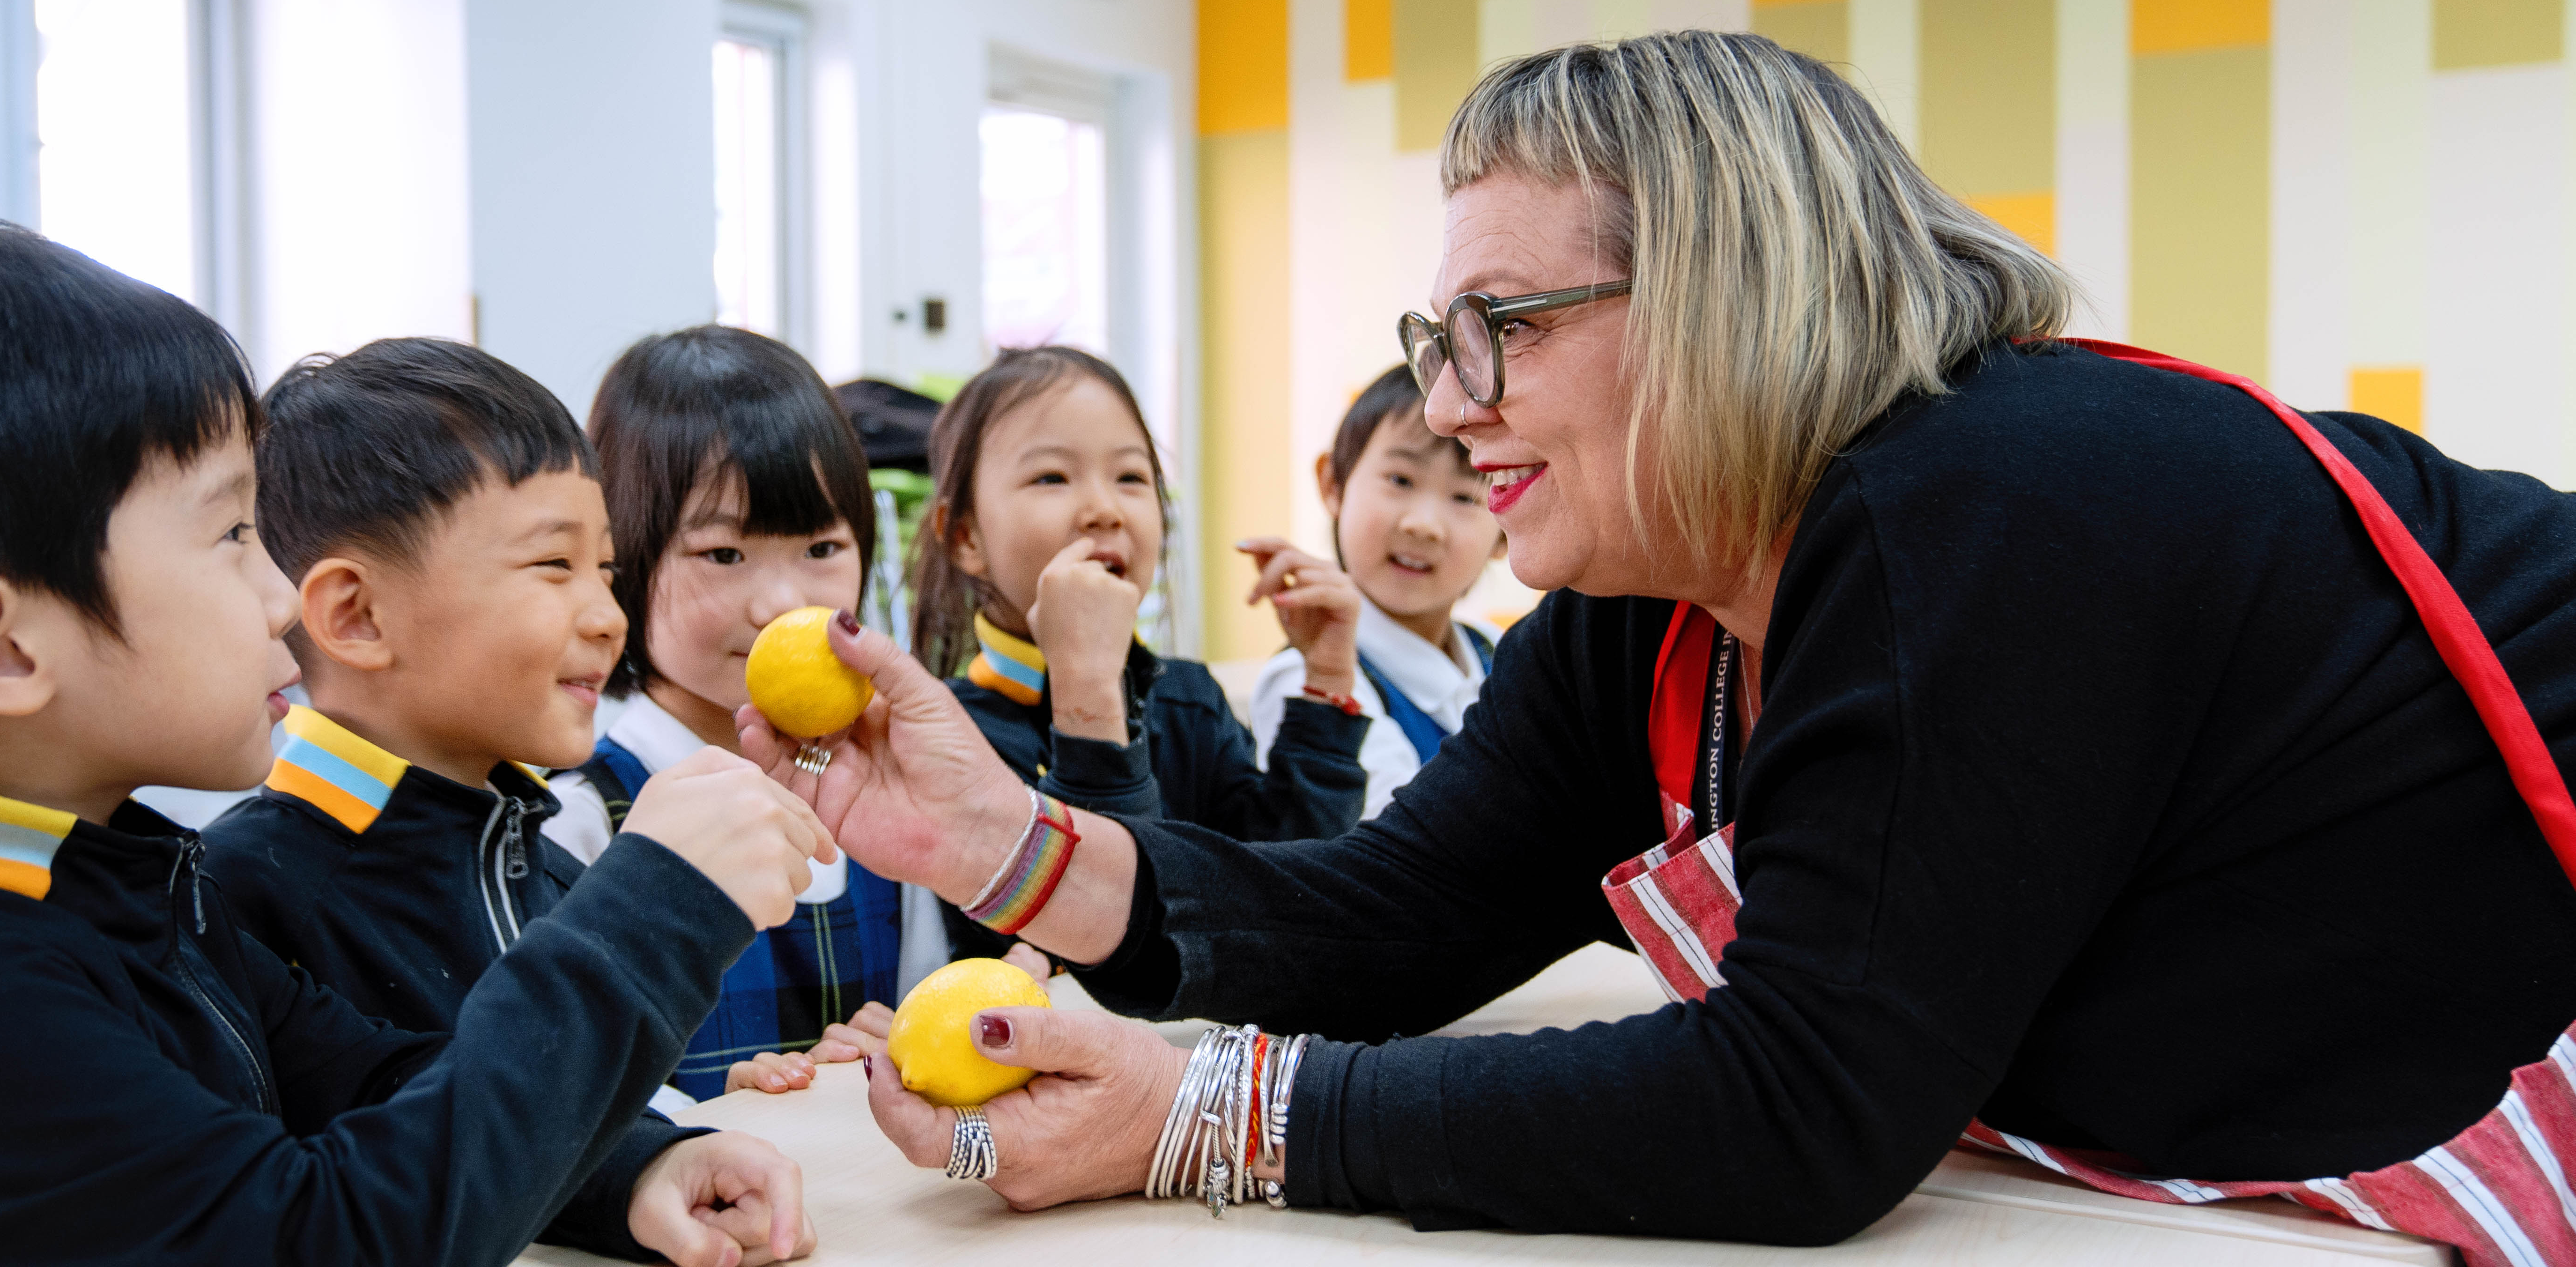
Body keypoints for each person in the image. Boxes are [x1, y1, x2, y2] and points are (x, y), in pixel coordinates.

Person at [735, 32, 2576, 1266]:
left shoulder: (1995, 502)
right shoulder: (1654, 602)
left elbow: (1800, 1112)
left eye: (1501, 330)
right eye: (1429, 340)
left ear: (1721, 294)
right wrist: (994, 844)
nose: (1450, 414)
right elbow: (1386, 917)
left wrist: (1202, 1112)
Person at [0, 222, 829, 1267]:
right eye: (232, 533)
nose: (281, 593)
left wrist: (626, 1169)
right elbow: (331, 1231)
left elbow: (371, 1082)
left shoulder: (93, 877)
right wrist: (652, 910)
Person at [197, 337, 811, 1208]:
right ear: (358, 615)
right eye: (552, 565)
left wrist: (657, 1148)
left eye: (606, 570)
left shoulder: (544, 861)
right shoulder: (239, 899)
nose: (606, 616)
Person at [538, 326, 925, 1102]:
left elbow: (926, 1018)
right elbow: (558, 1104)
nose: (783, 604)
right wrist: (701, 1118)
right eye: (723, 555)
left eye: (821, 549)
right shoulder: (578, 823)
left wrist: (902, 1049)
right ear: (623, 566)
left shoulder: (888, 804)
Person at [909, 346, 1373, 958]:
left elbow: (1283, 885)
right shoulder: (947, 731)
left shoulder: (1186, 697)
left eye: (1130, 477)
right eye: (1051, 477)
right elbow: (1078, 934)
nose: (1104, 509)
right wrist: (1086, 692)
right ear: (965, 536)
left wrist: (1325, 677)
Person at [1252, 364, 1507, 816]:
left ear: (1507, 526)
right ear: (1334, 484)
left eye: (1465, 497)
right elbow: (1401, 844)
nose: (1423, 524)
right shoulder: (1306, 682)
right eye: (1400, 480)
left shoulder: (1503, 654)